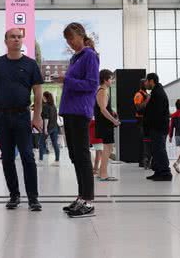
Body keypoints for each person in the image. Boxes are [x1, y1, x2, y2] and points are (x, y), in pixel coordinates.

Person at [0, 28, 44, 212]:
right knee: (7, 158)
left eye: (19, 37)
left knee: (27, 157)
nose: (16, 39)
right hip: (2, 116)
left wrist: (37, 116)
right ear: (6, 40)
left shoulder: (31, 64)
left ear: (22, 40)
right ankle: (14, 195)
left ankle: (33, 198)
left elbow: (38, 94)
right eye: (12, 37)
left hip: (22, 116)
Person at [56, 23, 100, 217]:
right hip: (69, 111)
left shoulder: (90, 56)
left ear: (81, 36)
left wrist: (67, 80)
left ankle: (89, 201)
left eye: (72, 38)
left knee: (82, 155)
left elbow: (92, 84)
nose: (70, 42)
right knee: (75, 156)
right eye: (67, 40)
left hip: (80, 112)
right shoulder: (75, 58)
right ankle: (81, 197)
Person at [144, 73, 172, 181]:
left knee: (160, 150)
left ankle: (165, 173)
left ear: (151, 81)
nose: (145, 83)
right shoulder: (156, 92)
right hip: (156, 127)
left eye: (146, 81)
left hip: (158, 128)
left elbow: (156, 113)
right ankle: (158, 171)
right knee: (156, 150)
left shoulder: (158, 93)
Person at [94, 69, 120, 182]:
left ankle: (101, 172)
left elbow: (105, 108)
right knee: (108, 147)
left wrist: (112, 112)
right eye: (111, 78)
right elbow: (103, 110)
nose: (112, 81)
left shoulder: (103, 91)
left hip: (104, 123)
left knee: (108, 147)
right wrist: (114, 121)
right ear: (105, 80)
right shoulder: (102, 91)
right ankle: (103, 174)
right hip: (105, 123)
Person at [133, 80, 151, 168]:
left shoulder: (147, 94)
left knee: (147, 141)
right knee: (143, 141)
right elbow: (138, 108)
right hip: (141, 120)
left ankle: (147, 160)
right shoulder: (138, 95)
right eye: (146, 83)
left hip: (147, 120)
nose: (147, 84)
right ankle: (142, 161)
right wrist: (147, 100)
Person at [39, 92, 60, 165]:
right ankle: (57, 161)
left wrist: (45, 129)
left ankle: (41, 161)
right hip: (55, 127)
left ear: (45, 97)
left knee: (41, 143)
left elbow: (46, 118)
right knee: (55, 144)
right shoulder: (53, 106)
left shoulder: (45, 106)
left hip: (48, 128)